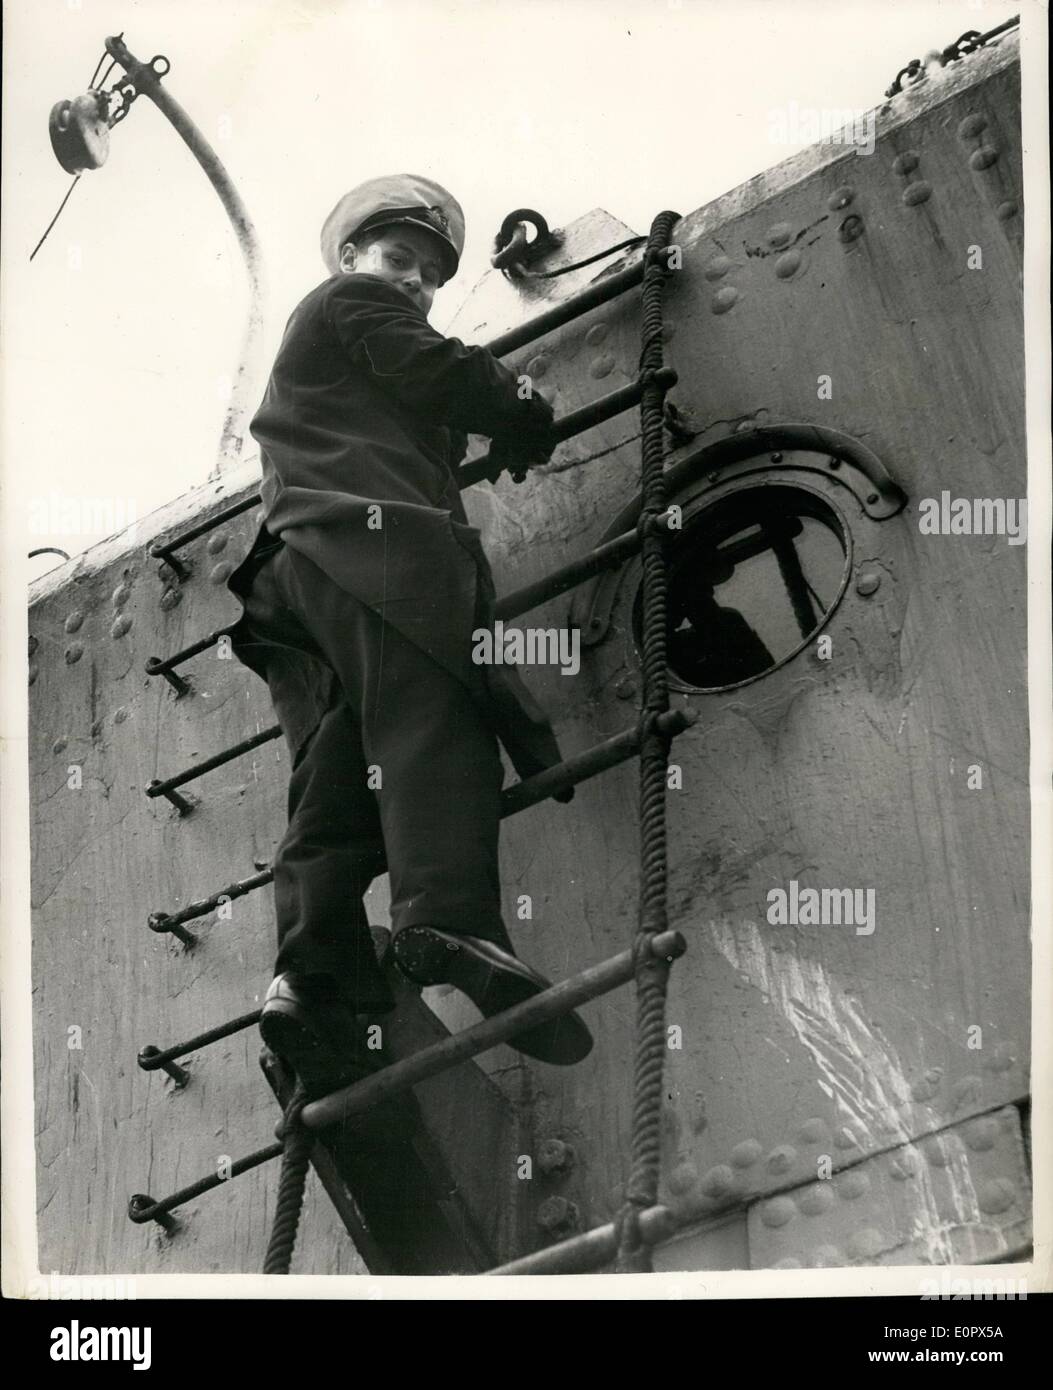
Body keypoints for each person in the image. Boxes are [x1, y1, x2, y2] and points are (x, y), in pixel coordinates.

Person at [224, 173, 592, 1092]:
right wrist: (518, 402)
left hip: (303, 569)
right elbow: (438, 370)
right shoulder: (352, 301)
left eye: (428, 274)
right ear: (352, 259)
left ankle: (310, 979)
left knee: (343, 764)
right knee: (436, 702)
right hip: (359, 540)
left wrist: (491, 431)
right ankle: (446, 916)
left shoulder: (346, 358)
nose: (414, 283)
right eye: (400, 259)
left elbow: (415, 403)